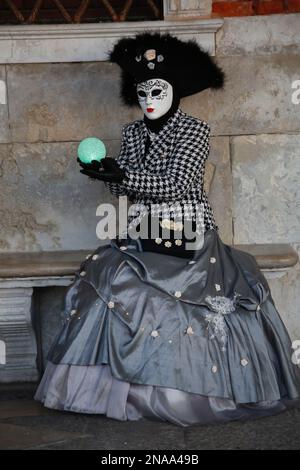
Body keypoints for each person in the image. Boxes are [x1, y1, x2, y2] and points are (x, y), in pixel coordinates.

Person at [34, 32, 300, 427]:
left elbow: (178, 183)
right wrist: (107, 174)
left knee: (171, 302)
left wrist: (125, 174)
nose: (149, 99)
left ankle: (175, 392)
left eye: (157, 90)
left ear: (174, 91)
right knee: (108, 275)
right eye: (142, 92)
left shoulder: (194, 130)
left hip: (188, 235)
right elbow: (125, 187)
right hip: (144, 232)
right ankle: (106, 389)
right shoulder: (130, 133)